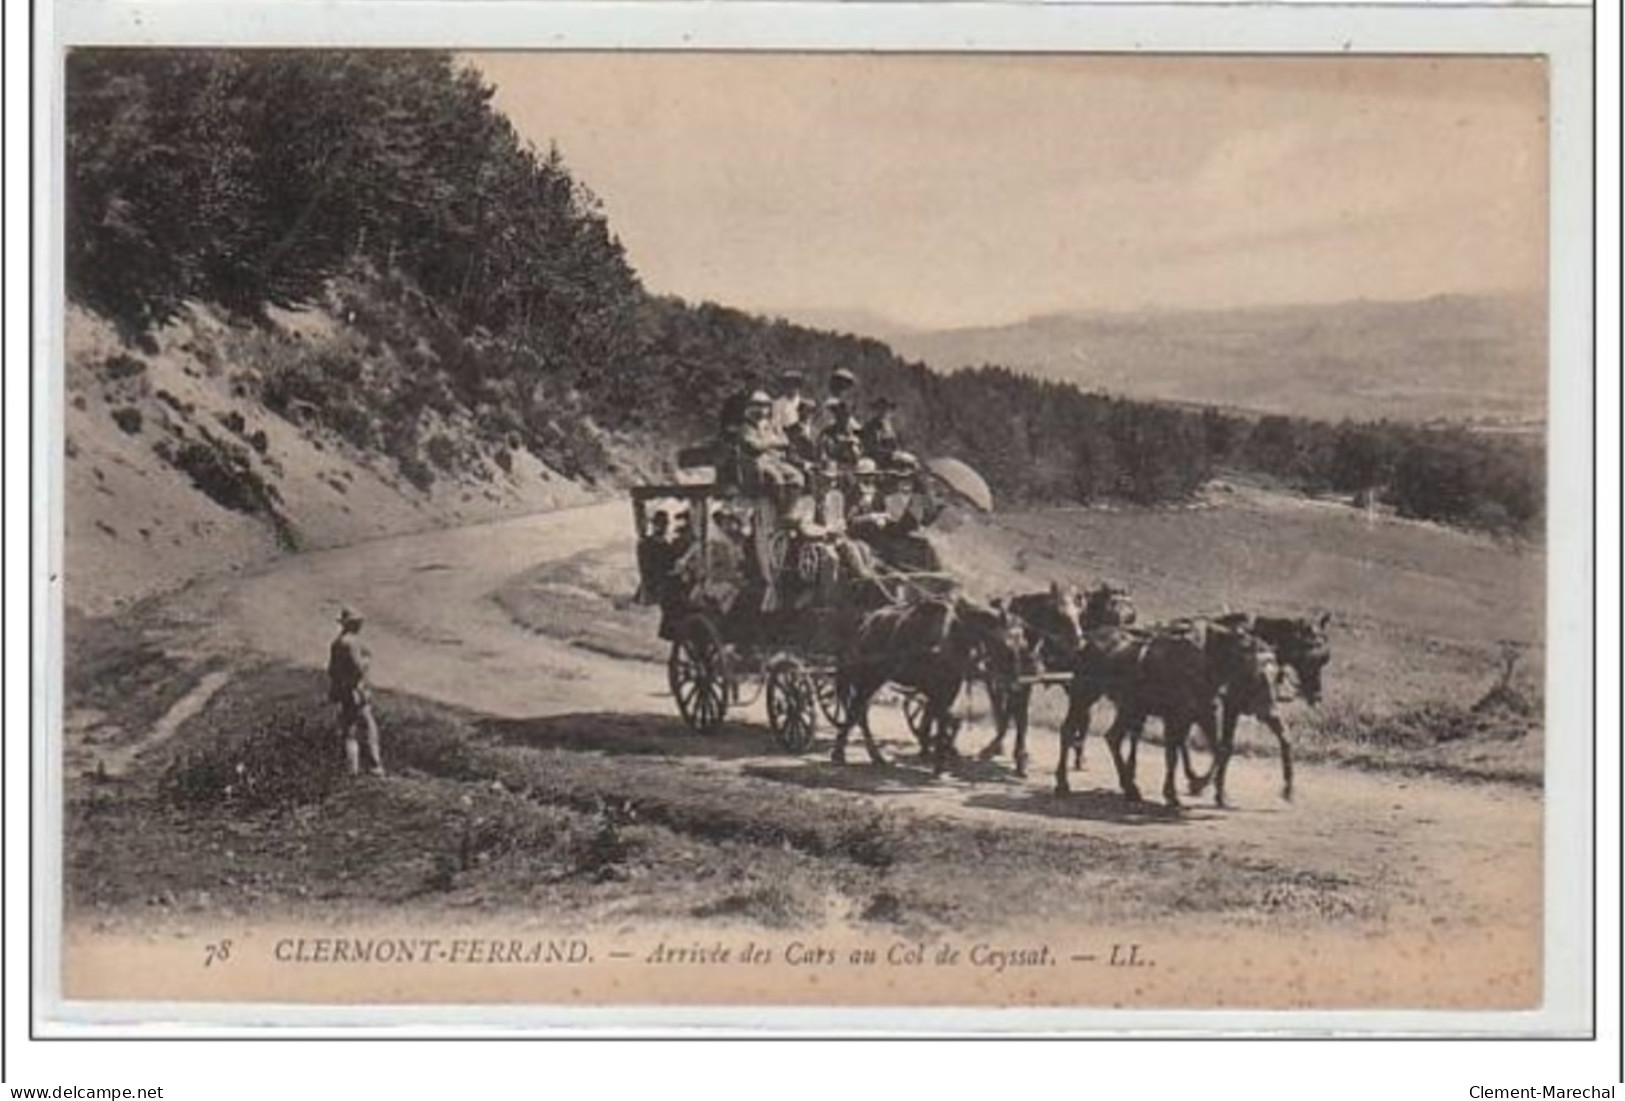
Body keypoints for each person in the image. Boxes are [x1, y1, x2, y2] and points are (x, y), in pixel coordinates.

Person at [327, 607, 384, 778]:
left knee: (349, 731)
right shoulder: (352, 643)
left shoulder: (337, 643)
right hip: (355, 691)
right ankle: (375, 767)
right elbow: (358, 668)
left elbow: (331, 670)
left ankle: (352, 769)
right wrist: (367, 660)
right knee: (368, 728)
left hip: (345, 691)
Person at [740, 390, 807, 494]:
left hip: (775, 461)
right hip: (755, 465)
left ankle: (786, 508)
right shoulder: (747, 426)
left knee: (797, 478)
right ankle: (775, 507)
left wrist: (777, 442)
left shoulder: (771, 424)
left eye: (765, 406)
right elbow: (753, 445)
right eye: (758, 405)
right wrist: (772, 443)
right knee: (777, 480)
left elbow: (784, 441)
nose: (762, 409)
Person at [636, 510, 676, 605]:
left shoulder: (666, 545)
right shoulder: (646, 544)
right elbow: (646, 566)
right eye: (659, 524)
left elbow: (670, 563)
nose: (662, 527)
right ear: (654, 525)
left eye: (664, 524)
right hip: (654, 584)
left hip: (663, 582)